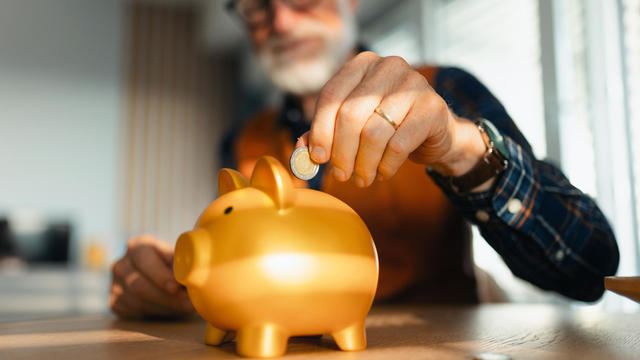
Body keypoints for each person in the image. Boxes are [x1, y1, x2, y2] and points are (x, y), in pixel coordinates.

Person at [110, 0, 619, 319]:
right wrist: (171, 285)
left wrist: (461, 148)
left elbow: (591, 267)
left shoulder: (447, 91)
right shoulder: (242, 140)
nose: (281, 20)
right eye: (256, 6)